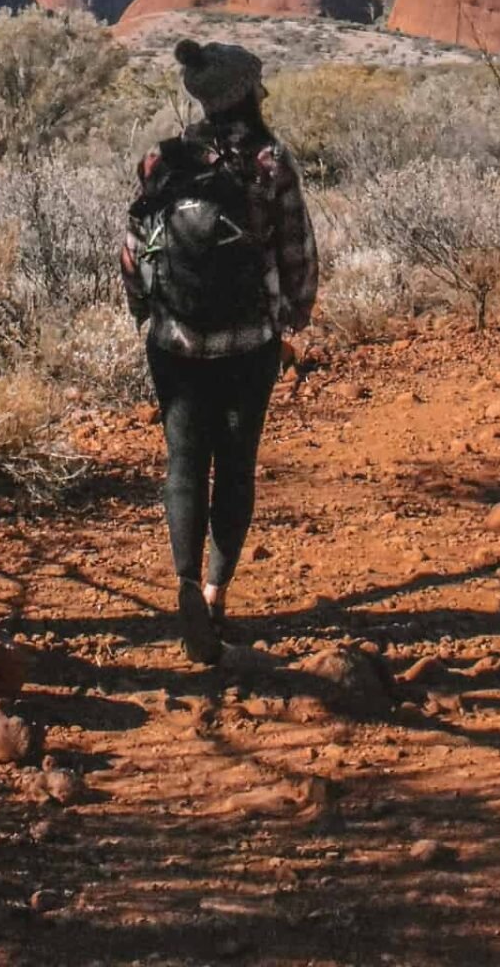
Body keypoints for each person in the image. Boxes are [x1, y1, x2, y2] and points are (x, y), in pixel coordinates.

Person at [122, 38, 318, 663]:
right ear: (246, 92)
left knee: (183, 461)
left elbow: (133, 247)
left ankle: (181, 582)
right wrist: (294, 316)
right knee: (235, 464)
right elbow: (297, 249)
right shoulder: (269, 160)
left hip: (173, 340)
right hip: (247, 342)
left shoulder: (161, 158)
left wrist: (143, 310)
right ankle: (212, 594)